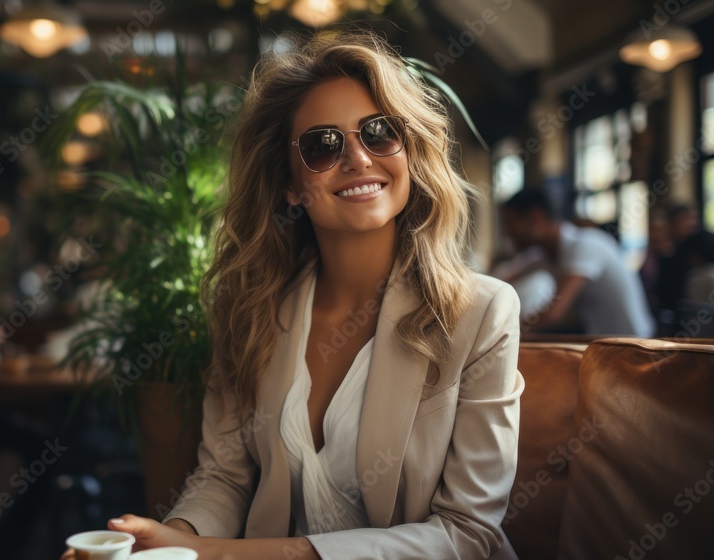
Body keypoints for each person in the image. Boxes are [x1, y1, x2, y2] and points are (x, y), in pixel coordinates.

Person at [65, 32, 524, 559]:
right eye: (322, 145)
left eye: (379, 133)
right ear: (287, 182)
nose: (356, 157)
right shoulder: (249, 308)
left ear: (410, 151)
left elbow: (467, 535)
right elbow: (225, 476)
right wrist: (176, 542)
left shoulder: (483, 313)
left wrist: (241, 555)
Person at [499, 189, 654, 337]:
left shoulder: (585, 245)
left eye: (510, 223)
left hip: (636, 347)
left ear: (536, 218)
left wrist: (504, 333)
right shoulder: (545, 255)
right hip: (603, 346)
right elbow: (501, 280)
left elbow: (554, 314)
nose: (507, 232)